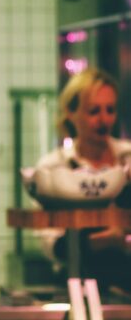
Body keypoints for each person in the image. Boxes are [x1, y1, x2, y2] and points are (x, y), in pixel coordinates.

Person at [34, 68, 131, 291]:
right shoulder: (53, 168)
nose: (103, 119)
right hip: (76, 283)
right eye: (94, 111)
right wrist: (108, 239)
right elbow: (52, 246)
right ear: (71, 112)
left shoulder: (127, 158)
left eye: (110, 110)